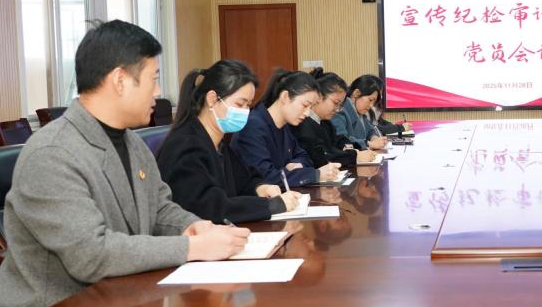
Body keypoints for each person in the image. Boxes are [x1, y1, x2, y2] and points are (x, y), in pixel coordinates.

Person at [0, 20, 248, 307]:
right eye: (153, 79)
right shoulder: (53, 153)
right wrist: (192, 248)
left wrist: (192, 226)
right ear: (120, 80)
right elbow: (91, 255)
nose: (158, 92)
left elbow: (160, 207)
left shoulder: (131, 142)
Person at [157, 60, 305, 224]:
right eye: (239, 104)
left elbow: (245, 180)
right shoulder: (185, 145)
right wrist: (271, 206)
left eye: (248, 105)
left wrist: (261, 188)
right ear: (212, 99)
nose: (245, 112)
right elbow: (207, 207)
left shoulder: (220, 143)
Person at [231, 69, 342, 187]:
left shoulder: (284, 125)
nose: (307, 113)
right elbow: (265, 177)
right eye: (305, 105)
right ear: (285, 97)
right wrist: (315, 174)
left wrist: (297, 164)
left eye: (311, 107)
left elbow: (305, 157)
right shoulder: (253, 126)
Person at [293, 72, 377, 168]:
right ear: (319, 97)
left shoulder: (325, 122)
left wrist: (349, 147)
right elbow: (322, 157)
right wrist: (355, 156)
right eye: (335, 103)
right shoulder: (303, 124)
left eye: (340, 105)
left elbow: (339, 141)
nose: (337, 109)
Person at [332, 74, 387, 150]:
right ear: (356, 93)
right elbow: (342, 141)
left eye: (373, 102)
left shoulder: (360, 112)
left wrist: (374, 138)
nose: (371, 106)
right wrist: (369, 144)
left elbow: (371, 131)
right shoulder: (340, 111)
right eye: (370, 100)